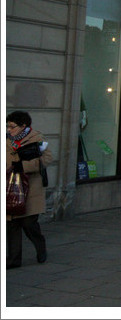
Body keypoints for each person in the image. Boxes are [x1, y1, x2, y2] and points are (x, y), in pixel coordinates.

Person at [6, 111, 53, 268]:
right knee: (12, 225)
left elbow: (46, 159)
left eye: (12, 126)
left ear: (23, 126)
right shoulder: (6, 140)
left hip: (30, 188)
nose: (9, 130)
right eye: (7, 126)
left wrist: (23, 166)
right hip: (10, 187)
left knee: (29, 224)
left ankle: (41, 247)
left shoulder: (37, 138)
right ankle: (14, 260)